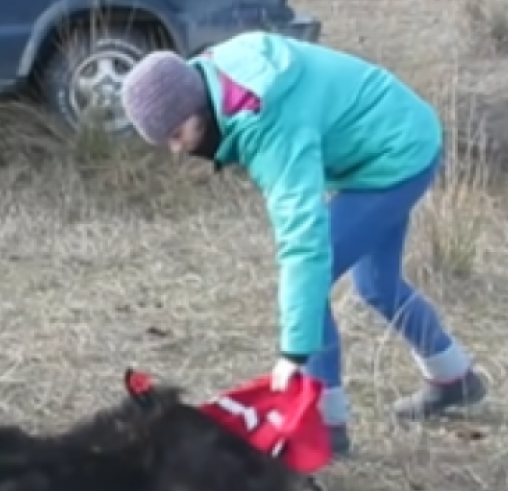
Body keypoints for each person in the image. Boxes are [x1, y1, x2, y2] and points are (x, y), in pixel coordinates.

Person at [119, 32, 488, 458]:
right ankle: (453, 378)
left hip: (396, 151)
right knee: (375, 284)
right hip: (392, 132)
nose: (177, 149)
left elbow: (303, 245)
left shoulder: (265, 117)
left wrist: (293, 353)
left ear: (195, 105)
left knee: (315, 277)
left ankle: (325, 423)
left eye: (177, 134)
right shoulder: (215, 80)